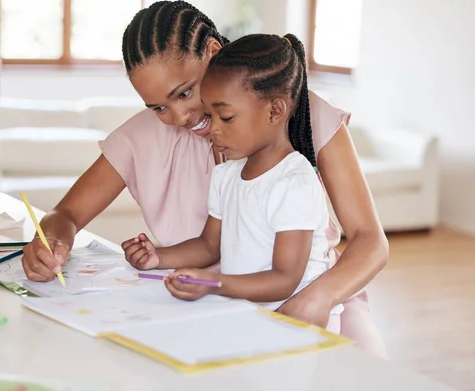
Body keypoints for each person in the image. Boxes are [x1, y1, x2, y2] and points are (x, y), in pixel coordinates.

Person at [21, 0, 388, 357]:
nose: (179, 116)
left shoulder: (296, 111)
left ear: (213, 52)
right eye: (159, 107)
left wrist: (316, 298)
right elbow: (66, 213)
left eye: (184, 92)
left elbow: (370, 241)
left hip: (319, 300)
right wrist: (50, 241)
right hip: (204, 304)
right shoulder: (146, 138)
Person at [122, 33, 344, 332]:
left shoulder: (294, 182)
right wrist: (157, 257)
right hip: (250, 315)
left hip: (299, 323)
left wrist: (214, 283)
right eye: (210, 114)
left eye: (225, 117)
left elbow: (284, 279)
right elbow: (209, 246)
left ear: (275, 111)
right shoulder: (227, 175)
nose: (212, 129)